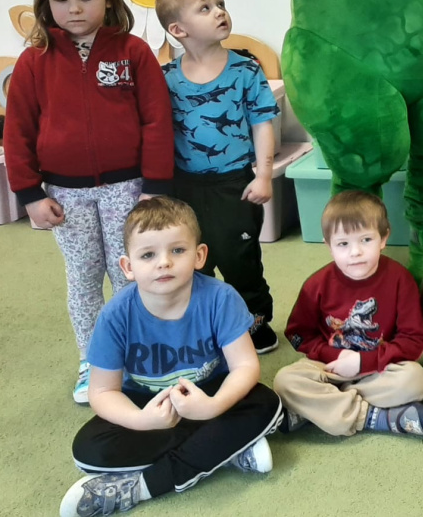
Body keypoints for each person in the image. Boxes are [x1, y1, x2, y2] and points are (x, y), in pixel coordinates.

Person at [4, 0, 173, 403]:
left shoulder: (134, 52)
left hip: (128, 187)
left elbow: (157, 120)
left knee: (131, 275)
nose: (74, 9)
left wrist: (154, 187)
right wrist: (29, 193)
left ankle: (138, 356)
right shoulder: (33, 61)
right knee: (83, 278)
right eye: (61, 0)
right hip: (64, 192)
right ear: (45, 3)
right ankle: (93, 362)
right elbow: (17, 130)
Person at [59, 199, 281, 517]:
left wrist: (213, 406)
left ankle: (146, 485)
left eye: (177, 250)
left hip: (209, 393)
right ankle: (226, 449)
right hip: (145, 403)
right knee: (88, 450)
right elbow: (103, 391)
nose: (164, 262)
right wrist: (142, 420)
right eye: (148, 255)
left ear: (199, 256)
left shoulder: (220, 298)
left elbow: (245, 366)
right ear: (128, 267)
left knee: (266, 403)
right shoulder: (114, 315)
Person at [155, 0, 280, 353]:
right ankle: (203, 324)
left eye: (220, 3)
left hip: (235, 183)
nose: (219, 12)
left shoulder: (246, 70)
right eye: (205, 8)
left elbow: (262, 123)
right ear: (178, 30)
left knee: (240, 258)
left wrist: (264, 175)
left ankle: (255, 322)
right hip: (184, 186)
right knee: (193, 260)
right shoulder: (166, 78)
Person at [274, 191, 423, 436]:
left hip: (378, 368)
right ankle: (374, 417)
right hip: (329, 367)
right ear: (329, 246)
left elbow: (413, 341)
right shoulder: (316, 285)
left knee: (415, 380)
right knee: (285, 381)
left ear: (383, 238)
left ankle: (323, 408)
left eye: (366, 239)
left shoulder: (402, 280)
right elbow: (298, 335)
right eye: (343, 244)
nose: (355, 252)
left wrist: (362, 362)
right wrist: (335, 355)